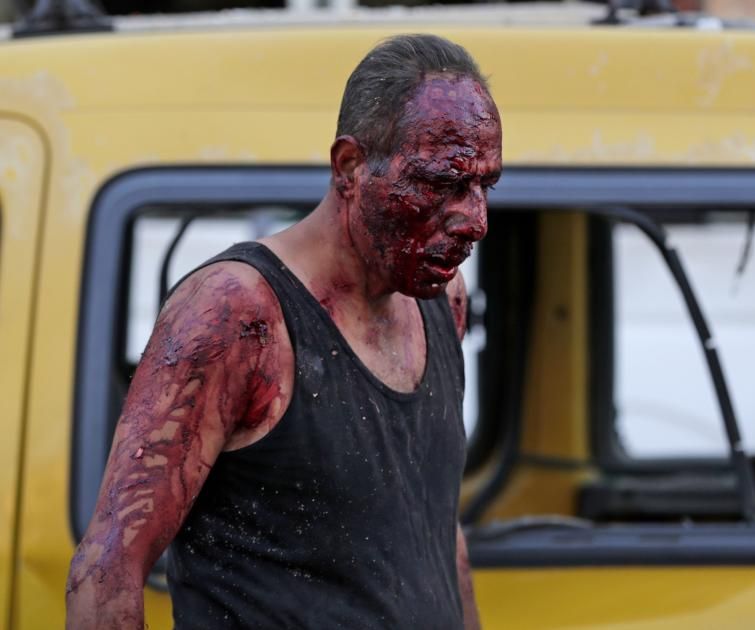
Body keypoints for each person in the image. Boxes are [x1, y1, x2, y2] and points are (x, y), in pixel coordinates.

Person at [66, 33, 501, 629]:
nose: (475, 220)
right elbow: (106, 571)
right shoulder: (237, 315)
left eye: (484, 187)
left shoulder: (442, 300)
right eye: (440, 184)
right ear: (350, 166)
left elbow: (439, 532)